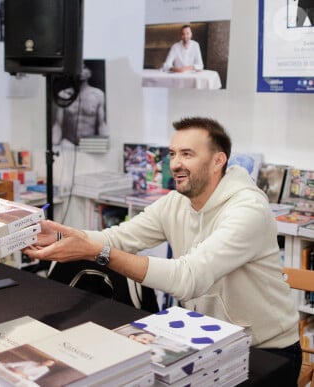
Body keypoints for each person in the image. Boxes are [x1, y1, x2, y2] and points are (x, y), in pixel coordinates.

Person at [25, 117, 301, 384]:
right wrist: (61, 235)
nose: (176, 163)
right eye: (172, 154)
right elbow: (118, 237)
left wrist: (98, 252)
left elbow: (188, 278)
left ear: (218, 161)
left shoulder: (247, 209)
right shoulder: (176, 202)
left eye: (187, 154)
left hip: (266, 350)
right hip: (206, 341)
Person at [52, 63, 108, 146]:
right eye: (78, 67)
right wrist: (55, 145)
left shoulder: (98, 95)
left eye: (84, 67)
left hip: (89, 145)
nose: (80, 71)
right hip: (68, 143)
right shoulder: (64, 94)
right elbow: (58, 124)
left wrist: (104, 145)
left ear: (90, 73)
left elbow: (101, 124)